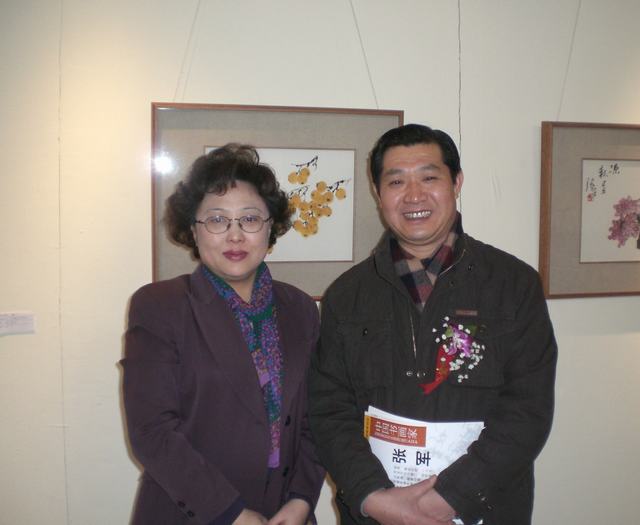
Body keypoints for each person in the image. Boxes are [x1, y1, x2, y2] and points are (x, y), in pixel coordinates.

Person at [308, 124, 557, 525]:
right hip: (378, 513)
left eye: (429, 177)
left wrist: (448, 499)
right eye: (396, 181)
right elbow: (328, 410)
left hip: (482, 510)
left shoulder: (513, 285)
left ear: (456, 182)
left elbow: (528, 410)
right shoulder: (347, 294)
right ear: (378, 193)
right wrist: (372, 496)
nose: (414, 195)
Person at [121, 144, 325, 525]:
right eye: (217, 219)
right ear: (193, 230)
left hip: (286, 513)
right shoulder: (161, 307)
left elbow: (318, 416)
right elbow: (153, 431)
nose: (235, 235)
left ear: (270, 228)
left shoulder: (300, 309)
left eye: (250, 219)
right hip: (194, 513)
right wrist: (230, 513)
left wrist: (301, 499)